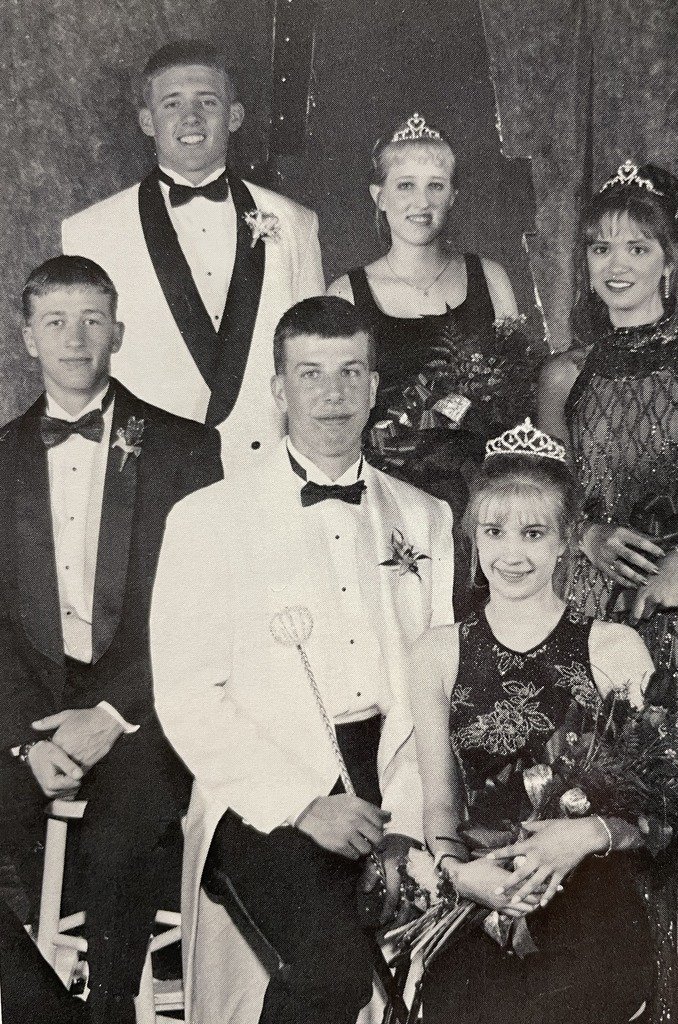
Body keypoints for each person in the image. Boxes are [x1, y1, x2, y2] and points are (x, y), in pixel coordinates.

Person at [150, 296, 455, 1024]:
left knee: (446, 964)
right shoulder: (207, 518)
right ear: (279, 390)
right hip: (263, 794)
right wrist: (303, 803)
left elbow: (437, 682)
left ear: (376, 387)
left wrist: (419, 819)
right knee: (329, 970)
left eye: (352, 372)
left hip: (394, 784)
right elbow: (188, 695)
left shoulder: (425, 517)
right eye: (311, 374)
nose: (333, 394)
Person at [0, 256, 223, 1023]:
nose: (75, 337)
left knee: (120, 841)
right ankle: (37, 1005)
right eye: (55, 321)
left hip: (146, 711)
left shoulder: (184, 450)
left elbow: (203, 611)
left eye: (93, 319)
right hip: (30, 712)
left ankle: (112, 1011)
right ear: (26, 336)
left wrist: (112, 716)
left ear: (118, 332)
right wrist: (29, 742)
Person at [537, 161, 678, 1024]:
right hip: (592, 611)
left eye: (635, 246)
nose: (615, 264)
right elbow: (537, 496)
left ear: (668, 258)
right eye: (599, 247)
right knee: (593, 802)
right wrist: (585, 533)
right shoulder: (565, 375)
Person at [412, 422, 656, 1024]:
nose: (511, 554)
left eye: (534, 532)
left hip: (591, 894)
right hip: (482, 892)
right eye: (493, 531)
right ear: (472, 537)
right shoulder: (438, 652)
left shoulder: (614, 648)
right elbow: (440, 809)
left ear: (567, 542)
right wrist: (460, 875)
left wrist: (585, 836)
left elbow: (660, 816)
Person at [62, 40, 325, 475]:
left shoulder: (295, 223)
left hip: (265, 472)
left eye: (208, 102)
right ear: (147, 121)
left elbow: (315, 356)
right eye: (172, 104)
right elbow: (80, 370)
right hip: (148, 471)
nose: (191, 118)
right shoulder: (90, 232)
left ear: (234, 117)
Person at [328, 113, 540, 514]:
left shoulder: (490, 277)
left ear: (453, 197)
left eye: (435, 187)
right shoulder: (346, 293)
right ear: (379, 196)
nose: (421, 203)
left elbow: (519, 400)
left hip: (481, 500)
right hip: (385, 497)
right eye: (405, 185)